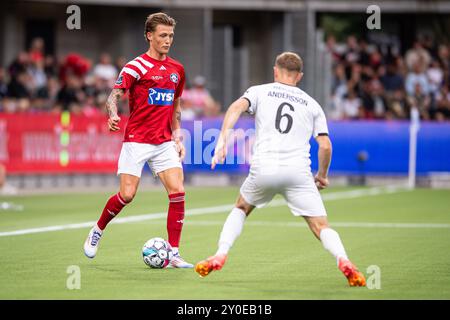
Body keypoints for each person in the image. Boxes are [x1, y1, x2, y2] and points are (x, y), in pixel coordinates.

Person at [194, 52, 366, 286]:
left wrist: (222, 140)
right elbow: (325, 145)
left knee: (242, 207)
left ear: (276, 71)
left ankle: (221, 253)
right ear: (300, 76)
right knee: (320, 225)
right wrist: (322, 176)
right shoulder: (312, 104)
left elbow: (235, 107)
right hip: (297, 173)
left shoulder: (259, 91)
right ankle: (344, 260)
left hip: (264, 168)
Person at [83, 12, 193, 268]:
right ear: (149, 36)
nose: (168, 40)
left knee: (178, 191)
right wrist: (111, 115)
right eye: (163, 35)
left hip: (164, 141)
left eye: (171, 36)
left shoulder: (178, 69)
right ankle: (98, 229)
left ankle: (174, 253)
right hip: (137, 140)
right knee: (127, 195)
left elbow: (176, 105)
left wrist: (177, 136)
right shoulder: (135, 67)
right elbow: (114, 95)